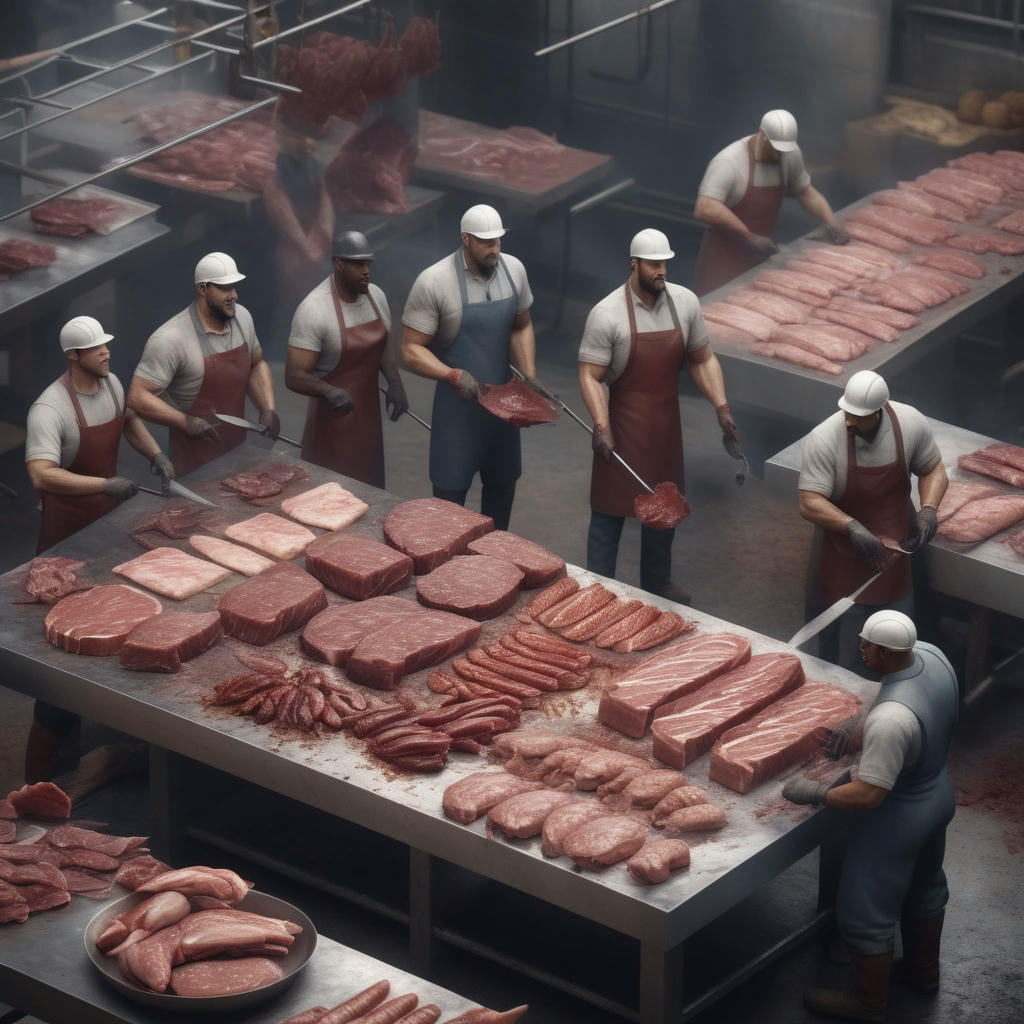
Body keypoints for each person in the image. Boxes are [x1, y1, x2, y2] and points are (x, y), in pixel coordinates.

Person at [783, 610, 958, 1022]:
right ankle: (924, 973)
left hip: (900, 817)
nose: (859, 650)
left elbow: (868, 794)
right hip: (937, 793)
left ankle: (867, 1001)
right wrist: (857, 722)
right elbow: (906, 699)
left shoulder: (891, 721)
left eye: (865, 646)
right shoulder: (931, 656)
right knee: (926, 885)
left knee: (865, 907)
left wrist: (817, 792)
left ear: (884, 650)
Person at [24, 315, 171, 782]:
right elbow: (41, 474)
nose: (108, 353)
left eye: (107, 345)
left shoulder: (110, 385)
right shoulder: (50, 409)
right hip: (66, 543)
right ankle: (42, 773)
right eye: (97, 348)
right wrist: (104, 483)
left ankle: (110, 751)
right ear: (74, 357)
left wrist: (155, 454)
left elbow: (128, 420)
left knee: (117, 634)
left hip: (107, 533)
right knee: (62, 663)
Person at [577, 228, 740, 603]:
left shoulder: (684, 303)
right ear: (634, 264)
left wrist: (722, 406)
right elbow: (590, 375)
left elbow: (702, 358)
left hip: (666, 423)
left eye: (665, 263)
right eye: (653, 264)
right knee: (609, 509)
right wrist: (601, 425)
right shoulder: (607, 314)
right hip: (622, 422)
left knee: (664, 503)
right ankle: (596, 586)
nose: (661, 271)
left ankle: (657, 581)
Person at [400, 204, 552, 530]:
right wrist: (451, 374)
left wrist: (529, 373)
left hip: (504, 410)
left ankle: (495, 571)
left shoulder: (514, 271)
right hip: (459, 413)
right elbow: (410, 349)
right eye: (486, 242)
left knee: (501, 496)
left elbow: (521, 325)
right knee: (448, 506)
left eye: (498, 241)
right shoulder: (435, 281)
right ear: (466, 239)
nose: (495, 249)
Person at [799, 370, 948, 673]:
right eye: (846, 412)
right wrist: (853, 527)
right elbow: (809, 502)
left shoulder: (909, 423)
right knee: (833, 655)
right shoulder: (825, 438)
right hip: (841, 556)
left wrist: (929, 509)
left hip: (894, 560)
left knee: (891, 647)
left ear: (879, 411)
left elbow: (933, 468)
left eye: (858, 416)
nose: (848, 421)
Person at [128, 253, 280, 476]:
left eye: (235, 288)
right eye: (225, 289)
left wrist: (267, 408)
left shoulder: (243, 318)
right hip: (194, 459)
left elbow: (256, 364)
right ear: (203, 289)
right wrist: (185, 421)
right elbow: (137, 396)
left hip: (239, 448)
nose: (234, 296)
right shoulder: (170, 339)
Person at [285, 230, 407, 487]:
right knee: (330, 500)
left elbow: (382, 344)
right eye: (358, 264)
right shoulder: (314, 309)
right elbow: (294, 375)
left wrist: (394, 383)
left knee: (371, 492)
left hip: (369, 419)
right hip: (332, 425)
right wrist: (328, 391)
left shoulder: (377, 297)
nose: (366, 271)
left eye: (368, 264)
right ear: (339, 264)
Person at [693, 108, 849, 296]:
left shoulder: (789, 154)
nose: (779, 155)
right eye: (775, 149)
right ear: (762, 135)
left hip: (761, 254)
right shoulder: (729, 161)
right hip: (724, 258)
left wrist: (830, 221)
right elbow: (705, 207)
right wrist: (749, 236)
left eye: (783, 150)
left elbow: (805, 192)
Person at [262, 110, 334, 328]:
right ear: (282, 136)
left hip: (317, 239)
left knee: (324, 303)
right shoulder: (277, 173)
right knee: (294, 305)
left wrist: (324, 236)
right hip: (293, 247)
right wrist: (305, 247)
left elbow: (326, 202)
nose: (309, 143)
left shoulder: (317, 166)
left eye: (312, 137)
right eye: (301, 137)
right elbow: (281, 210)